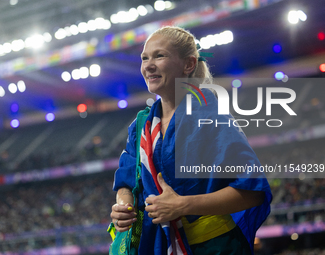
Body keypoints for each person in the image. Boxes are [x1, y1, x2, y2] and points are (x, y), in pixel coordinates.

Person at [110, 26, 272, 255]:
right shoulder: (141, 125)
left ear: (188, 64)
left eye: (160, 55)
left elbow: (252, 191)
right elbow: (126, 181)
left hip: (212, 248)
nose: (148, 65)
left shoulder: (210, 115)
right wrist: (123, 205)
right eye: (144, 58)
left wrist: (182, 205)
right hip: (156, 246)